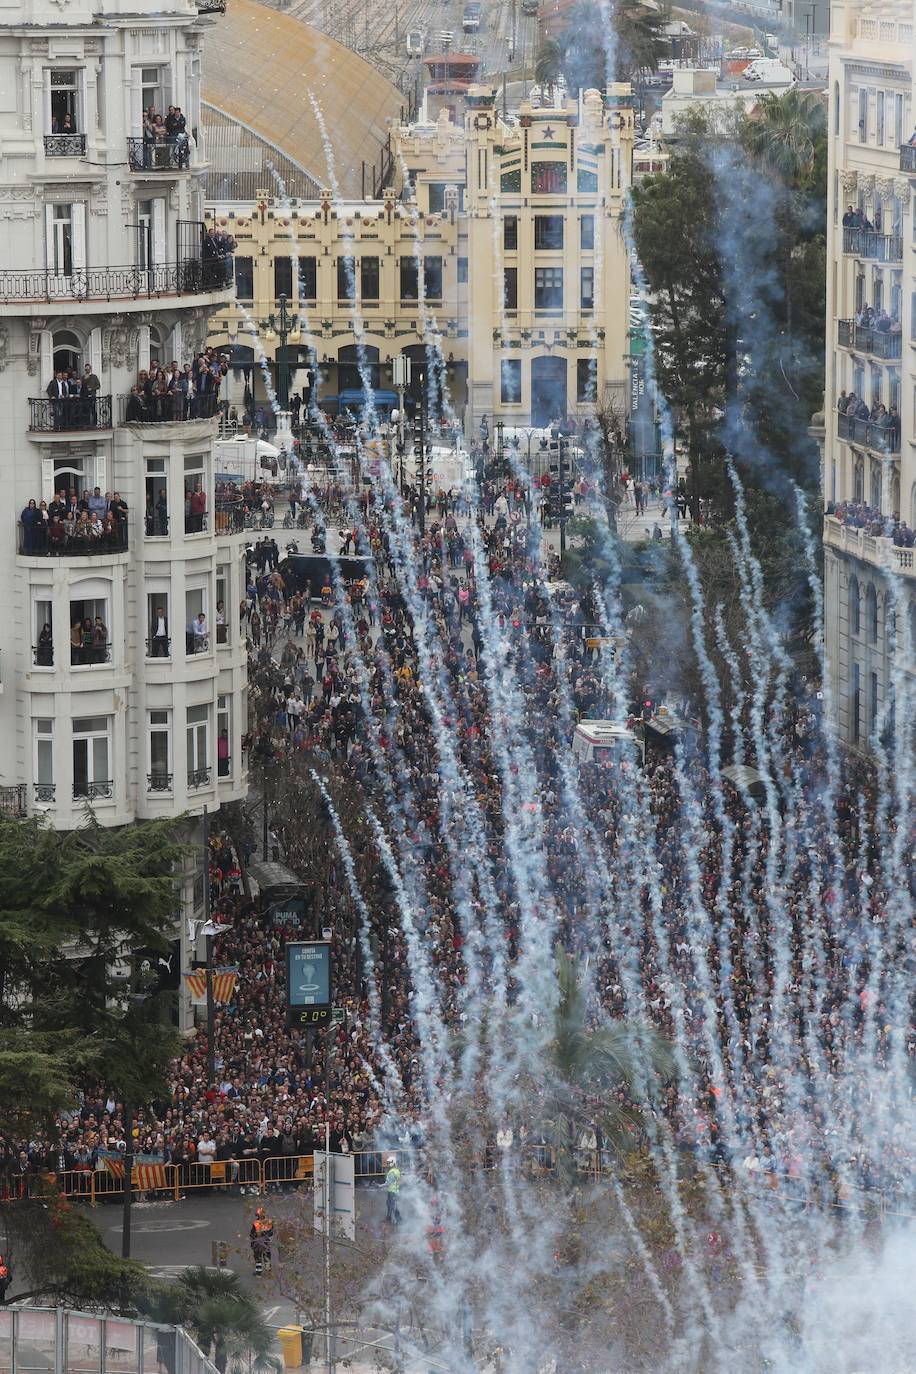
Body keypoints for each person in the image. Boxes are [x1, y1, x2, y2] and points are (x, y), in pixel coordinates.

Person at [250, 1206, 273, 1275]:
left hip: (257, 1243)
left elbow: (252, 1234)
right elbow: (271, 1232)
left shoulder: (256, 1223)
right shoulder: (269, 1222)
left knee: (258, 1257)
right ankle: (269, 1271)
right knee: (267, 1256)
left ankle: (258, 1271)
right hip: (267, 1242)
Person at [385, 1155, 401, 1224]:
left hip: (393, 1192)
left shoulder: (392, 1172)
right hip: (393, 1191)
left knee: (393, 1205)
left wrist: (379, 1186)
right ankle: (388, 1217)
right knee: (389, 1204)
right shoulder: (395, 1170)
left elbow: (388, 1183)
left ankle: (398, 1219)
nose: (388, 1164)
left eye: (389, 1163)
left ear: (393, 1162)